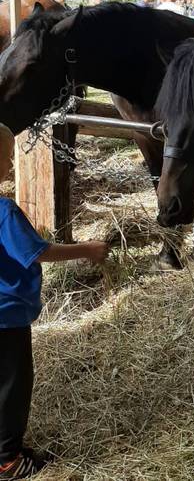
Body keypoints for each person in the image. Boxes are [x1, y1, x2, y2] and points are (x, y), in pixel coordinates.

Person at [0, 123, 109, 479]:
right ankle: (9, 461)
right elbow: (38, 252)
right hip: (7, 317)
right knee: (13, 388)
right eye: (7, 159)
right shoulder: (5, 212)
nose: (13, 166)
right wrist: (89, 249)